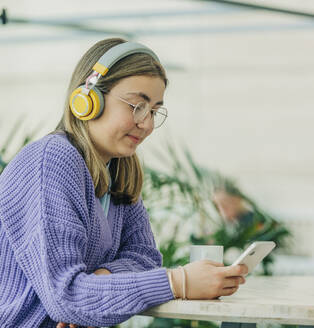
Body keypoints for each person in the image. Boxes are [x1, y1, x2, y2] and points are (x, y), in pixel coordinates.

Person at [0, 38, 247, 328]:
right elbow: (67, 297)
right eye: (137, 106)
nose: (148, 124)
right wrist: (177, 282)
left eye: (154, 110)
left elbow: (145, 258)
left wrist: (101, 279)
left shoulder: (119, 172)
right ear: (87, 100)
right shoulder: (52, 160)